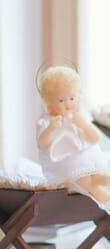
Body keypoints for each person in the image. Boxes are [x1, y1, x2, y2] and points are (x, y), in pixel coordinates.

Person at [37, 66, 109, 204]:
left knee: (97, 176)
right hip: (64, 162)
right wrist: (51, 128)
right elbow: (42, 143)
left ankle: (102, 181)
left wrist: (83, 125)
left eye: (72, 98)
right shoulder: (45, 121)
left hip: (86, 159)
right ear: (49, 102)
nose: (68, 104)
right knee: (85, 182)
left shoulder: (76, 117)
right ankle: (105, 198)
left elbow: (95, 138)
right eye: (61, 101)